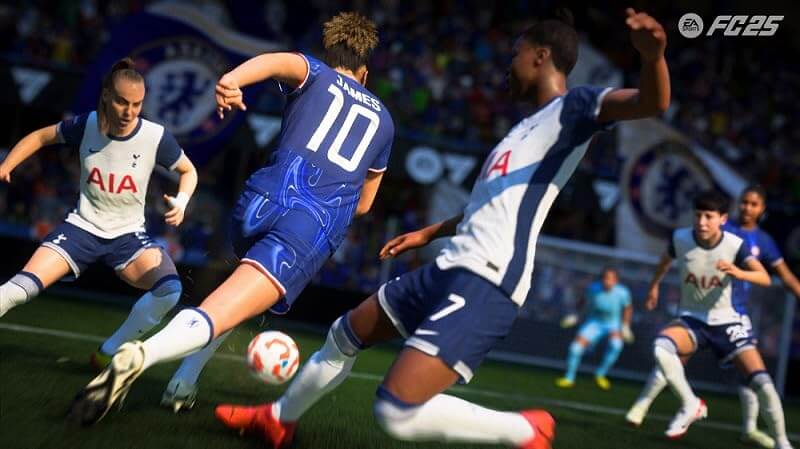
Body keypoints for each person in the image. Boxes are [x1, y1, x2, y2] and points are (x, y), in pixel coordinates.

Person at [212, 8, 669, 449]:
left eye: (514, 54)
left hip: (488, 278)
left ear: (540, 56)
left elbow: (651, 102)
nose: (508, 66)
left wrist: (653, 57)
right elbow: (489, 206)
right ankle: (278, 419)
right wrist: (429, 233)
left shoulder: (575, 107)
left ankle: (526, 430)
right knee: (345, 334)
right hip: (453, 264)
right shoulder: (523, 131)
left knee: (395, 412)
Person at [69, 11, 394, 423]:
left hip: (261, 199)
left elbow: (275, 61)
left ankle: (184, 382)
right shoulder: (385, 121)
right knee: (226, 308)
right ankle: (142, 356)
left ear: (330, 56)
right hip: (309, 224)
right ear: (364, 74)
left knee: (231, 295)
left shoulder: (313, 70)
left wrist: (232, 81)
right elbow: (364, 205)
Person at [0, 59, 197, 365]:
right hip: (80, 229)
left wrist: (182, 202)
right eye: (122, 102)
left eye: (137, 104)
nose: (129, 111)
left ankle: (109, 351)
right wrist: (6, 165)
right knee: (21, 288)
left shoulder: (155, 136)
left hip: (128, 237)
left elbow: (189, 171)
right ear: (106, 95)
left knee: (170, 291)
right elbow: (39, 137)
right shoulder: (86, 125)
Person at [625, 185, 800, 448]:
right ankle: (684, 404)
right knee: (663, 349)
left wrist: (739, 272)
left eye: (709, 216)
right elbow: (664, 261)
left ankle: (779, 441)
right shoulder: (681, 238)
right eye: (698, 215)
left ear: (722, 219)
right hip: (694, 319)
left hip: (730, 319)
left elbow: (768, 277)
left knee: (760, 381)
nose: (702, 222)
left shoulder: (740, 243)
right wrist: (654, 286)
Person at [555, 267, 633, 390]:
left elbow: (628, 308)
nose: (608, 281)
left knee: (616, 345)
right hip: (594, 323)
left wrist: (625, 326)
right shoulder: (593, 289)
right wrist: (576, 316)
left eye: (611, 279)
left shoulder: (622, 292)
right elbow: (582, 302)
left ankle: (600, 374)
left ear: (616, 281)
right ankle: (569, 378)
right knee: (575, 348)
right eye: (605, 278)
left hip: (613, 324)